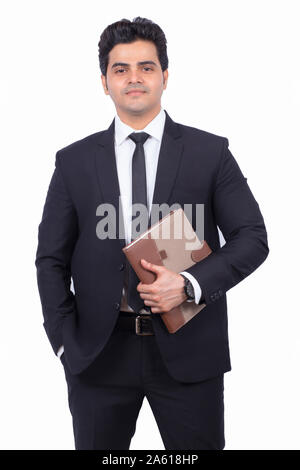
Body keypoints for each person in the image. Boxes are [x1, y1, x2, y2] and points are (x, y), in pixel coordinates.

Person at [35, 16, 269, 450]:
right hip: (99, 355)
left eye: (146, 67)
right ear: (104, 82)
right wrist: (64, 342)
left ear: (165, 76)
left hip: (189, 348)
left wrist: (189, 284)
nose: (134, 78)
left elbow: (252, 237)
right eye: (120, 69)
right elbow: (50, 259)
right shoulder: (73, 162)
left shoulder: (209, 153)